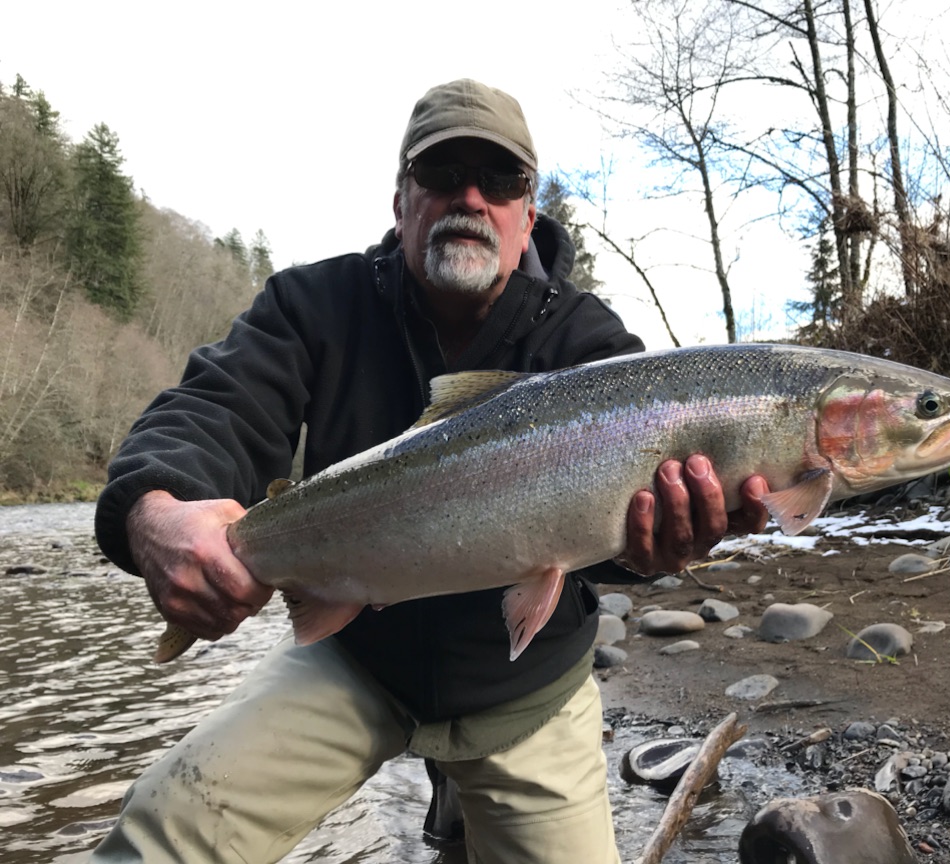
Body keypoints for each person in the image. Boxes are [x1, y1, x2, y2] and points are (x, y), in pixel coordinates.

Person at [90, 78, 769, 864]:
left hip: (526, 691)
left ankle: (458, 818)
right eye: (444, 174)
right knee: (162, 832)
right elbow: (217, 407)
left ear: (528, 216)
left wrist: (656, 554)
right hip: (355, 663)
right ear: (401, 199)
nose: (471, 197)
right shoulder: (315, 304)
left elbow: (626, 539)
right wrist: (153, 505)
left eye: (501, 179)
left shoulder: (592, 349)